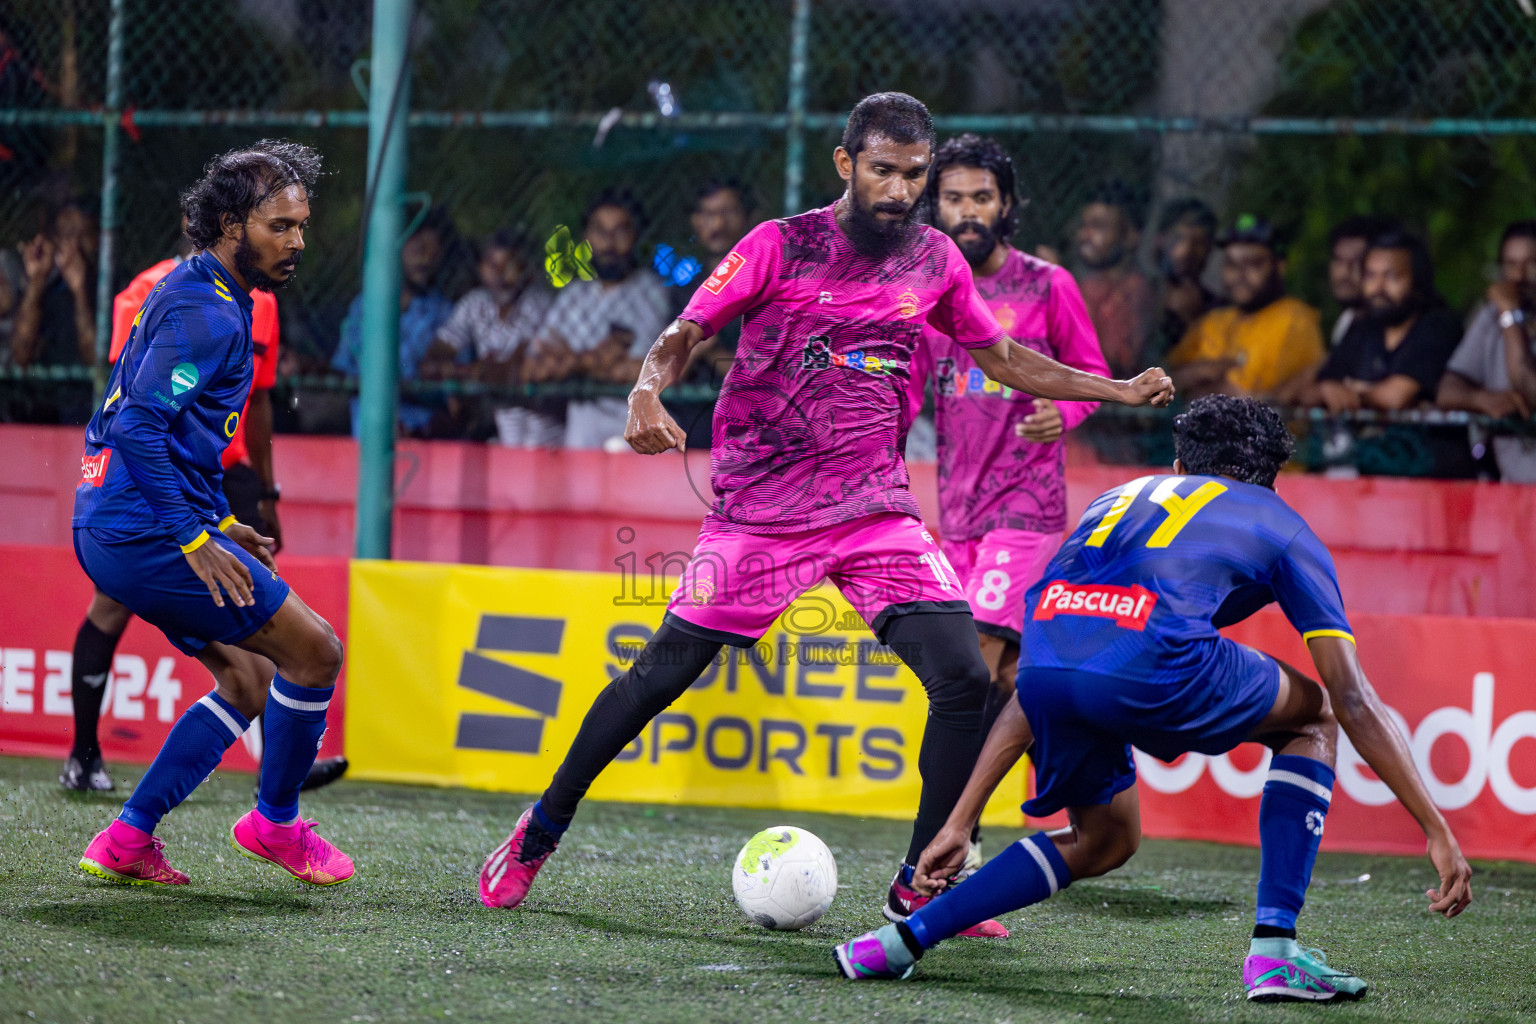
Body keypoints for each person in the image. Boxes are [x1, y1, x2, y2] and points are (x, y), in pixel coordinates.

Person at [477, 92, 1174, 928]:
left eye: (915, 175)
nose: (899, 190)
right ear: (845, 164)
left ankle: (923, 877)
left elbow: (1005, 356)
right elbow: (685, 330)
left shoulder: (936, 260)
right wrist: (645, 389)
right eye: (883, 170)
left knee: (960, 676)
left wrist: (1115, 388)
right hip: (761, 512)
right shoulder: (780, 244)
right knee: (659, 676)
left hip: (875, 507)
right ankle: (538, 831)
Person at [833, 395, 1473, 1001]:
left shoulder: (1118, 498)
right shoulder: (1279, 521)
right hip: (1156, 663)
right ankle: (1275, 947)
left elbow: (1043, 669)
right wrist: (1436, 828)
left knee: (1103, 840)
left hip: (1048, 667)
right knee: (1318, 718)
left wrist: (958, 821)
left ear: (1179, 466)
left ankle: (898, 941)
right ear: (1272, 476)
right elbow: (1353, 696)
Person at [72, 140, 352, 888]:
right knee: (317, 652)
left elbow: (174, 434)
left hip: (114, 521)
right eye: (279, 226)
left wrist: (219, 524)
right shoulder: (212, 315)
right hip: (142, 530)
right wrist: (194, 535)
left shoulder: (207, 289)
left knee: (249, 682)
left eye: (301, 225)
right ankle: (276, 824)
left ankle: (126, 840)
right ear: (231, 223)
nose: (298, 242)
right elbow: (137, 426)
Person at [909, 132, 1109, 917]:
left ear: (1007, 206)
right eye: (954, 198)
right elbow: (907, 386)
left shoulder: (1047, 285)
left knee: (980, 664)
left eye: (981, 197)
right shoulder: (927, 289)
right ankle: (1007, 823)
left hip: (1024, 510)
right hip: (953, 510)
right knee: (997, 678)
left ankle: (948, 848)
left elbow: (1089, 374)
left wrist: (1066, 408)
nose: (967, 211)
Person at [530, 189, 671, 449]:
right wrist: (600, 360)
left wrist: (572, 363)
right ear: (587, 237)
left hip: (636, 428)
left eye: (620, 231)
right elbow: (535, 365)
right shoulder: (574, 295)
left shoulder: (650, 292)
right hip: (582, 430)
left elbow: (639, 370)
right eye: (600, 231)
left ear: (636, 236)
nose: (609, 242)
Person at [424, 228, 558, 447]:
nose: (500, 273)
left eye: (510, 265)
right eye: (491, 265)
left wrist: (466, 373)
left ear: (526, 268)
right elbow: (432, 360)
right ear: (480, 269)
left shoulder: (538, 303)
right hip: (500, 421)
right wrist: (471, 372)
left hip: (541, 427)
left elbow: (514, 369)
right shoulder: (475, 303)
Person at [1167, 215, 1325, 400]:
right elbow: (1164, 379)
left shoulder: (1295, 319)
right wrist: (1197, 373)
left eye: (1253, 264)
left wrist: (1218, 390)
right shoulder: (1214, 321)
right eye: (1231, 264)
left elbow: (1281, 400)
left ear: (1279, 267)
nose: (1239, 275)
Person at [1309, 231, 1461, 414]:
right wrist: (1326, 389)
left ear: (1418, 282)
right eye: (1370, 276)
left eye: (1391, 277)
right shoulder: (1362, 327)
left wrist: (1351, 394)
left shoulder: (1438, 326)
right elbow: (1312, 391)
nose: (1378, 288)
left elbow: (1396, 397)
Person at [331, 213, 455, 436]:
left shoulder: (444, 312)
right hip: (367, 431)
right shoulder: (365, 306)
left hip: (423, 434)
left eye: (432, 251)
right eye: (418, 248)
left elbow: (453, 390)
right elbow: (342, 368)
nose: (424, 259)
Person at [1436, 221, 1536, 482]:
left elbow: (1530, 393)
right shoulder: (1492, 316)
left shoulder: (1504, 314)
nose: (1519, 276)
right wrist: (1480, 399)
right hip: (1509, 491)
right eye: (1511, 265)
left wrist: (1510, 318)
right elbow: (1447, 389)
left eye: (1532, 264)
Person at [1072, 181, 1154, 377]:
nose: (1086, 235)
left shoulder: (1135, 290)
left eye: (1099, 227)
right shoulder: (1089, 285)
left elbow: (1116, 362)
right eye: (1084, 226)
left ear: (1130, 237)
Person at [8, 200, 98, 369]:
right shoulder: (46, 291)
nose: (74, 247)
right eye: (66, 236)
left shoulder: (112, 287)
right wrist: (37, 281)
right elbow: (20, 355)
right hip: (45, 392)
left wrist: (80, 291)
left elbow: (96, 359)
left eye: (81, 235)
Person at [1154, 197, 1219, 358]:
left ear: (1209, 250)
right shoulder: (1134, 290)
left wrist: (1192, 321)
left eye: (1198, 243)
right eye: (1177, 238)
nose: (1186, 251)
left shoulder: (1217, 309)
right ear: (1160, 239)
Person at [1326, 216, 1398, 347]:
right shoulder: (1347, 321)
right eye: (1339, 260)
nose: (1344, 272)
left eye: (1357, 261)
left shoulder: (1395, 331)